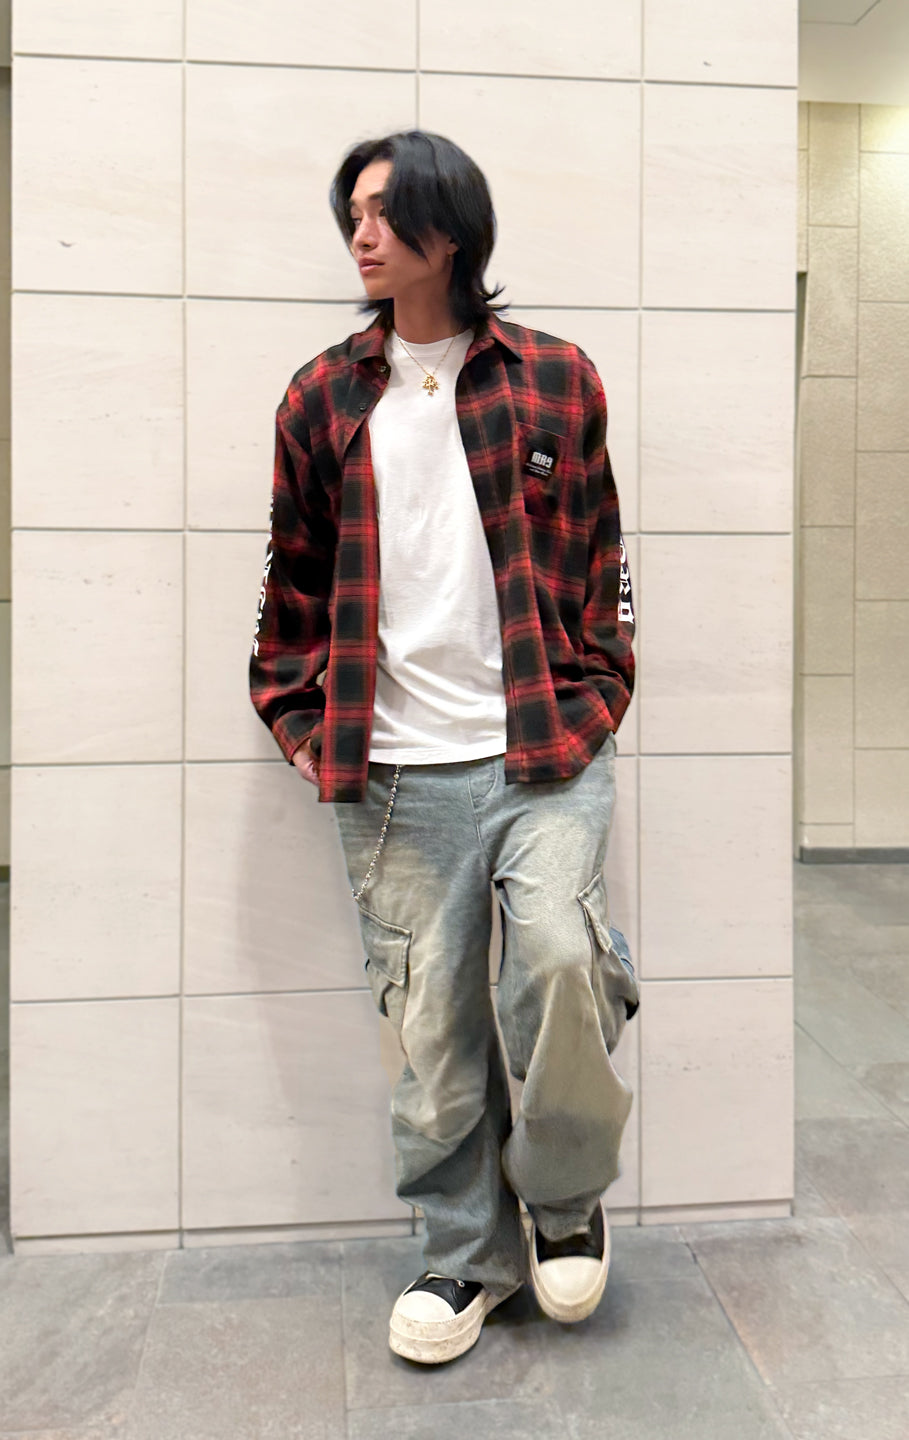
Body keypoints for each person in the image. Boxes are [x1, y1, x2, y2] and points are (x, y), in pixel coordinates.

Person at [250, 129, 640, 1366]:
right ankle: (464, 1250)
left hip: (545, 752)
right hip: (391, 770)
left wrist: (597, 694)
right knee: (430, 1029)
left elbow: (603, 560)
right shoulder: (322, 397)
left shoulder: (555, 378)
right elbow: (291, 583)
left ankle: (564, 1204)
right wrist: (303, 727)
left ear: (452, 228)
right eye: (351, 214)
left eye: (384, 211)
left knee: (561, 965)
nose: (360, 235)